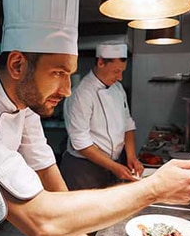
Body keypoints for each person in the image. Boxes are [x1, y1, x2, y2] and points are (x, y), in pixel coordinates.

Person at [0, 0, 190, 236]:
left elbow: (44, 167)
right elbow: (38, 221)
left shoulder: (23, 102)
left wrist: (78, 235)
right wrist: (154, 188)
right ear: (18, 65)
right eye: (58, 73)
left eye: (69, 74)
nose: (67, 90)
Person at [60, 42, 144, 190]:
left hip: (111, 166)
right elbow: (80, 142)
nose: (120, 77)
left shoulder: (118, 89)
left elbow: (128, 124)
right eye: (116, 71)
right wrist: (114, 167)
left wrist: (131, 157)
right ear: (100, 63)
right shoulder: (81, 93)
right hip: (83, 170)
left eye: (122, 71)